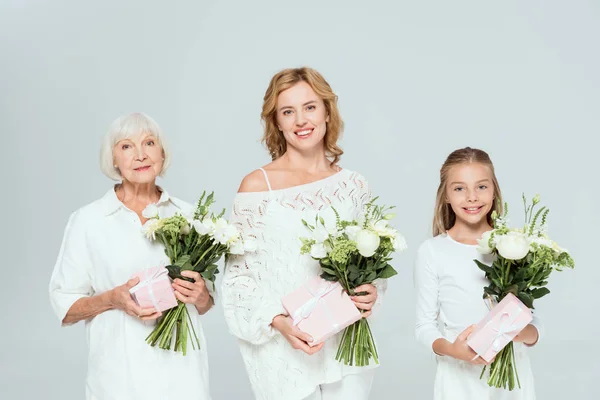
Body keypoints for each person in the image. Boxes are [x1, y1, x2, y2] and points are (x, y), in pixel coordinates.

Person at [221, 67, 382, 400]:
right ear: (276, 122)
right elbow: (238, 280)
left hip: (345, 345)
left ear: (326, 111)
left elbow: (372, 263)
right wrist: (279, 322)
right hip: (285, 351)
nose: (301, 120)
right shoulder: (256, 187)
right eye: (287, 111)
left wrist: (372, 290)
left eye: (309, 107)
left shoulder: (354, 185)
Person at [49, 112, 213, 400]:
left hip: (183, 377)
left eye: (149, 143)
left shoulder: (189, 216)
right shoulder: (88, 220)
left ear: (162, 153)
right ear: (113, 159)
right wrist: (113, 298)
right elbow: (65, 305)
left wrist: (201, 295)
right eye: (126, 146)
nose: (140, 155)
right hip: (118, 378)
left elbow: (206, 303)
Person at [414, 147, 542, 399]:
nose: (472, 197)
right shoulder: (433, 251)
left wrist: (518, 332)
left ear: (494, 191)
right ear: (446, 196)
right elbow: (424, 327)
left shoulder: (514, 246)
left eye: (481, 187)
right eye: (460, 188)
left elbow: (535, 324)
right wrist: (453, 349)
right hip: (459, 377)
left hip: (512, 379)